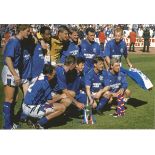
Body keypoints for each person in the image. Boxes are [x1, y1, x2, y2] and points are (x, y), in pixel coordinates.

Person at [1, 24, 30, 129]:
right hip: (10, 71)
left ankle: (11, 122)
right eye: (27, 31)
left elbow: (3, 51)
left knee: (14, 98)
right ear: (21, 30)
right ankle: (7, 127)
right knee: (9, 99)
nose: (29, 33)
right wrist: (15, 74)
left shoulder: (17, 41)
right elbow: (8, 58)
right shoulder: (14, 41)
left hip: (14, 70)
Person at [22, 64, 66, 129]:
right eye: (53, 74)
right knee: (62, 107)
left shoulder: (39, 76)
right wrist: (61, 96)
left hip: (24, 106)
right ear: (48, 74)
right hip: (31, 108)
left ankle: (30, 118)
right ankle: (40, 123)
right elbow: (49, 101)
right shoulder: (46, 83)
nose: (54, 76)